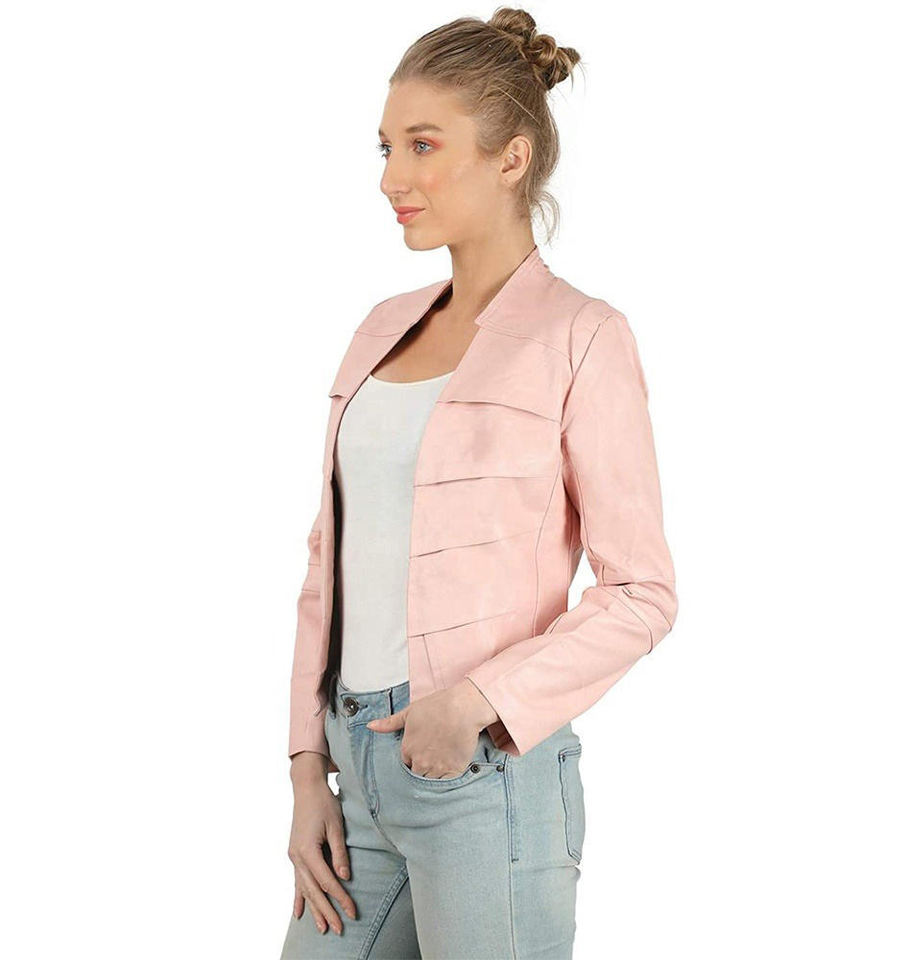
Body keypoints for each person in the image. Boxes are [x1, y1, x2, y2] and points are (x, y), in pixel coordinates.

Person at [281, 8, 678, 958]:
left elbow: (642, 592)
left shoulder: (582, 336)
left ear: (512, 158)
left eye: (424, 145)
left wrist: (473, 704)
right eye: (386, 147)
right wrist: (305, 766)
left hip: (485, 777)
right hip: (353, 778)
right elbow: (327, 565)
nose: (392, 178)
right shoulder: (380, 329)